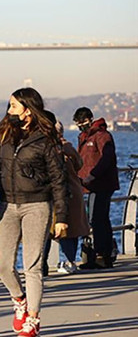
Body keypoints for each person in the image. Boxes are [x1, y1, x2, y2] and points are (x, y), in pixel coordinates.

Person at [0, 88, 69, 337]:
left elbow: (59, 179)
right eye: (9, 105)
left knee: (32, 266)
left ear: (27, 109)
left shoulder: (45, 139)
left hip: (37, 204)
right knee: (2, 263)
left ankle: (33, 319)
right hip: (8, 205)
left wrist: (61, 218)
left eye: (14, 105)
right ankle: (19, 300)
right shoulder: (3, 135)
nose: (9, 109)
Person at [73, 107, 119, 269]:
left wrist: (92, 175)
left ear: (90, 119)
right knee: (100, 219)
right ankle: (103, 254)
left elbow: (107, 158)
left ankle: (101, 254)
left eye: (83, 122)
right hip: (90, 185)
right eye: (78, 124)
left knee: (96, 219)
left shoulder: (102, 136)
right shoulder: (84, 137)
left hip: (101, 184)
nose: (81, 126)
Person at [53, 118, 90, 274]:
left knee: (50, 229)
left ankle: (44, 264)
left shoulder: (50, 147)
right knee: (71, 229)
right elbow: (79, 163)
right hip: (73, 190)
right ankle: (70, 260)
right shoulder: (68, 147)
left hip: (57, 193)